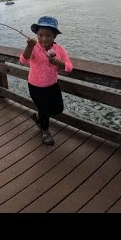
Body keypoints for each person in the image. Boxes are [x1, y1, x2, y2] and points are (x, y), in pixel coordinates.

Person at [20, 16, 73, 145]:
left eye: (48, 35)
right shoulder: (34, 47)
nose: (44, 38)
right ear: (37, 35)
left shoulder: (60, 50)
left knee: (57, 109)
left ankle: (37, 117)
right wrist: (29, 47)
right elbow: (23, 60)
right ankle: (45, 131)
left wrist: (58, 62)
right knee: (44, 110)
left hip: (52, 85)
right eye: (40, 35)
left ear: (54, 36)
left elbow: (69, 67)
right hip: (35, 86)